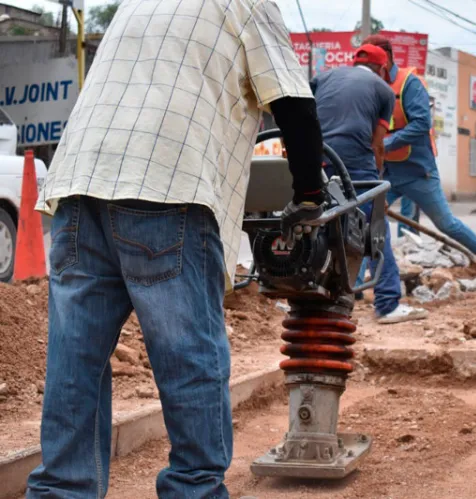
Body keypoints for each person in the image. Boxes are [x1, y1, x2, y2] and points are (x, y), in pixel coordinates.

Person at [26, 1, 326, 497]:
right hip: (166, 184)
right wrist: (310, 195)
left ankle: (62, 488)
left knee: (75, 363)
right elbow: (294, 102)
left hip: (78, 185)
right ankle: (195, 490)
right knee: (190, 360)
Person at [361, 35, 476, 286]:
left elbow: (421, 124)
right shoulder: (370, 85)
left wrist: (384, 145)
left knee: (446, 224)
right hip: (385, 172)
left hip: (417, 172)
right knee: (365, 223)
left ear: (386, 59)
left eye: (372, 64)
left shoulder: (409, 84)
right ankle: (354, 285)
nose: (368, 71)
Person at [311, 44, 427, 324]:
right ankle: (387, 303)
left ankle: (315, 297)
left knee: (320, 222)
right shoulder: (384, 90)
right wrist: (378, 189)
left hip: (316, 154)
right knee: (373, 227)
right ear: (384, 68)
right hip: (354, 157)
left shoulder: (323, 77)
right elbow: (377, 144)